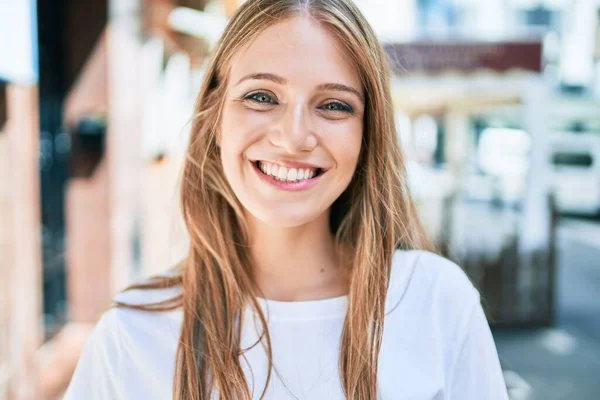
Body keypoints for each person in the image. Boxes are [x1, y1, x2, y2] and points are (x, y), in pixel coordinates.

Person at [64, 0, 509, 399]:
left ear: (366, 132)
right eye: (261, 96)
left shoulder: (436, 303)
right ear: (216, 116)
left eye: (334, 105)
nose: (294, 137)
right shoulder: (131, 335)